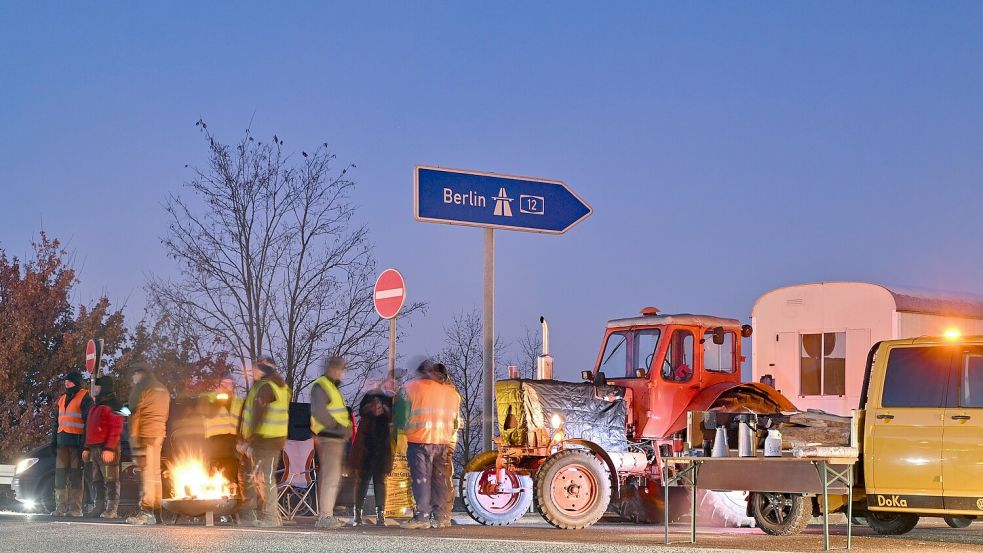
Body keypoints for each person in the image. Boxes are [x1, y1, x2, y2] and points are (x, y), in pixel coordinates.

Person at [394, 359, 462, 529]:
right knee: (441, 479)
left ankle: (422, 517)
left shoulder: (409, 389)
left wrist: (399, 436)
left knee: (421, 479)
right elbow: (455, 423)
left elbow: (400, 419)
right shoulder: (452, 393)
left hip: (420, 440)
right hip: (444, 442)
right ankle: (442, 517)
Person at [238, 356, 291, 527]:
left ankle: (270, 517)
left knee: (263, 478)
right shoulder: (281, 387)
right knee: (255, 477)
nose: (252, 372)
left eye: (255, 369)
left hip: (264, 440)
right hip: (272, 439)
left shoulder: (266, 387)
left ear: (262, 370)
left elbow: (258, 416)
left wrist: (249, 440)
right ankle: (254, 515)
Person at [310, 356, 353, 529]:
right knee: (331, 477)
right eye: (341, 369)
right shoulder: (322, 385)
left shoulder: (331, 387)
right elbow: (321, 413)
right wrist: (341, 428)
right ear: (334, 369)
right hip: (330, 436)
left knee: (331, 476)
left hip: (335, 437)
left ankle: (326, 514)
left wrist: (346, 428)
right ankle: (325, 516)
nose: (343, 373)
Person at [125, 363, 171, 526]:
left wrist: (133, 438)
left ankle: (146, 511)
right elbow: (165, 414)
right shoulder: (162, 389)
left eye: (134, 376)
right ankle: (158, 513)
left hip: (145, 434)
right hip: (159, 434)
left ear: (139, 374)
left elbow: (133, 413)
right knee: (154, 474)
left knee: (145, 474)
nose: (133, 380)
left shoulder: (142, 387)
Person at [349, 383, 393, 526]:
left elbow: (392, 416)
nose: (376, 408)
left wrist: (385, 410)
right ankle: (358, 514)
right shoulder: (368, 401)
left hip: (381, 446)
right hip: (366, 447)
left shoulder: (388, 400)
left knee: (379, 481)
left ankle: (380, 515)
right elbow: (362, 410)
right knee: (363, 480)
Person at [51, 371, 94, 517]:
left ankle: (75, 509)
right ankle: (60, 508)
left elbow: (89, 423)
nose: (66, 383)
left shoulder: (85, 398)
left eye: (69, 381)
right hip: (62, 443)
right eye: (65, 381)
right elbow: (56, 422)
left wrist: (86, 445)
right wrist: (53, 441)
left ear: (76, 382)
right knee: (60, 476)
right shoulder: (62, 399)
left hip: (77, 444)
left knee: (76, 476)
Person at [83, 375, 124, 519]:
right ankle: (98, 507)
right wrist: (87, 448)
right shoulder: (96, 405)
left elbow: (116, 428)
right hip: (95, 449)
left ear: (104, 387)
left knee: (110, 480)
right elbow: (90, 429)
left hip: (106, 449)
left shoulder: (114, 404)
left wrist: (110, 448)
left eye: (97, 386)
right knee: (97, 480)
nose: (94, 389)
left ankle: (111, 509)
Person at [199, 376, 243, 485]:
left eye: (230, 384)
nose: (227, 387)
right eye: (224, 384)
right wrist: (220, 400)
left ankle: (231, 493)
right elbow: (207, 412)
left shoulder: (239, 401)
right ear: (219, 385)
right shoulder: (209, 398)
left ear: (233, 386)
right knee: (215, 473)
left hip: (233, 442)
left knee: (232, 472)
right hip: (215, 442)